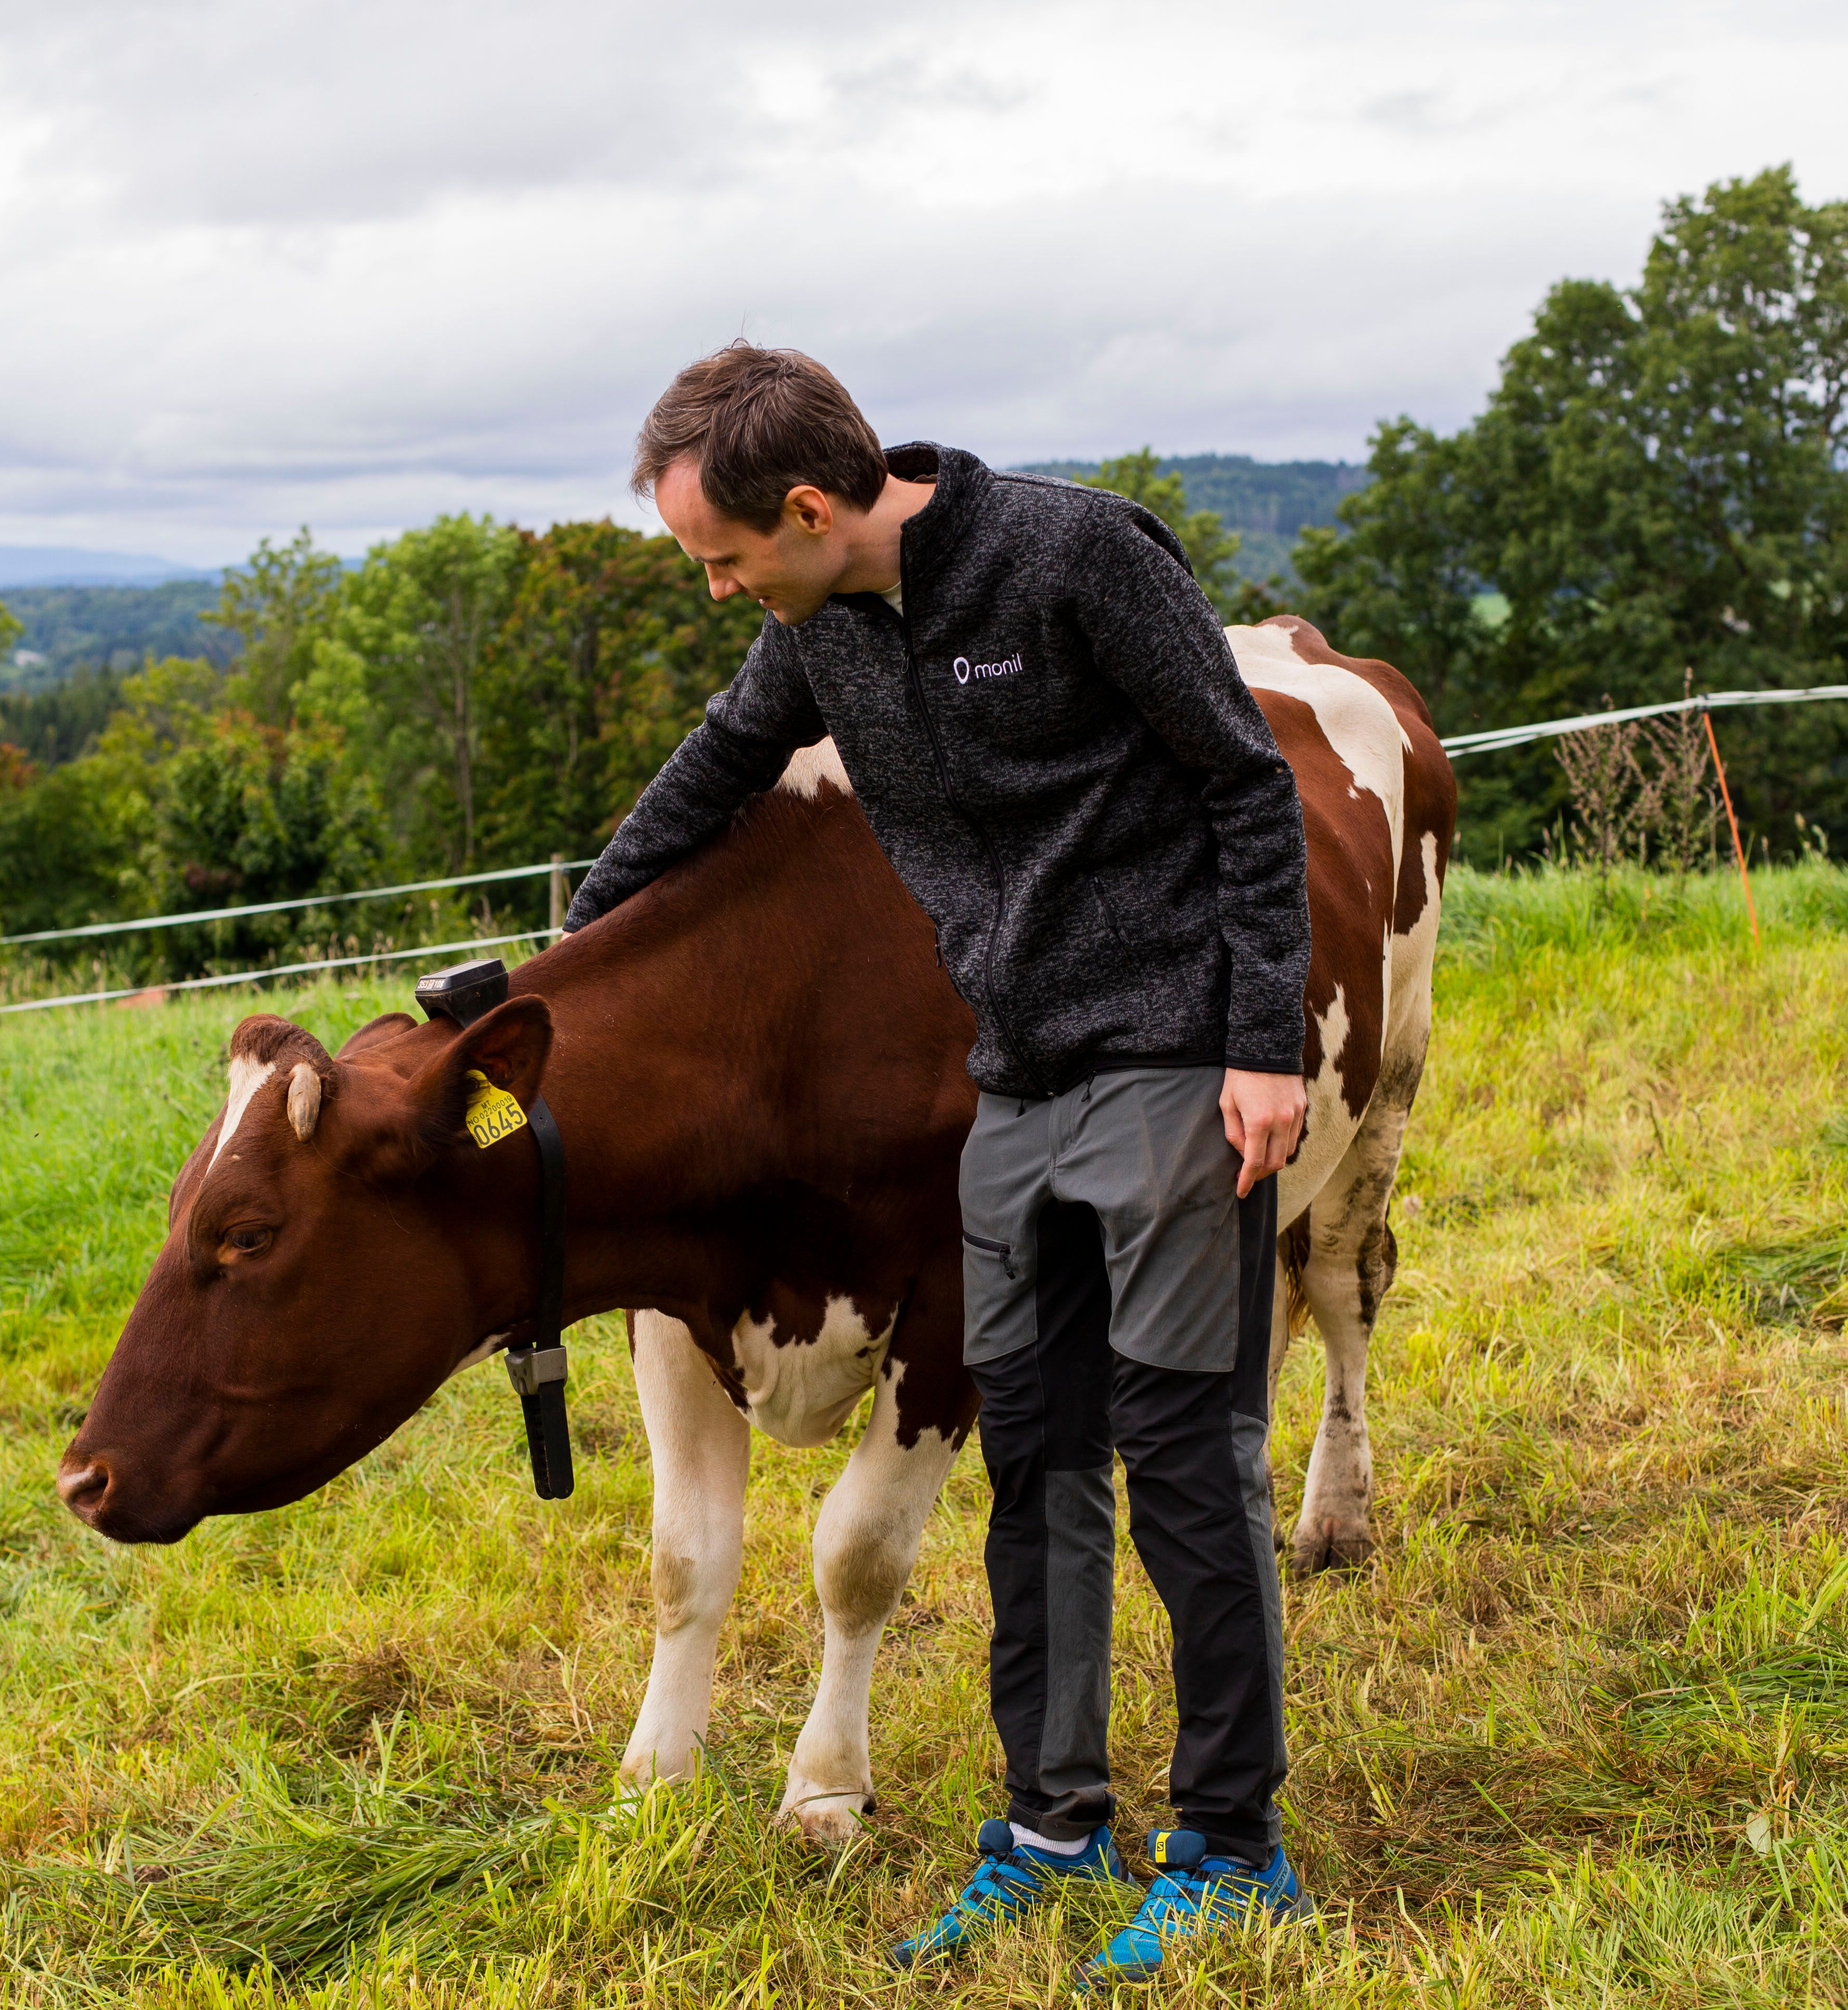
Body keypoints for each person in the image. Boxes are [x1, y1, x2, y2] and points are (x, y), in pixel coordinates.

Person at [559, 342, 1315, 1986]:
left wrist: (1266, 1038)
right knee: (1035, 1467)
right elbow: (710, 778)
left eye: (725, 555)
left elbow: (1245, 784)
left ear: (815, 507)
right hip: (1011, 1089)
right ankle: (1052, 1827)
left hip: (1175, 1062)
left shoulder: (1076, 559)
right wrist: (563, 962)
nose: (717, 586)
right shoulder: (821, 632)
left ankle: (1234, 1852)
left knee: (1187, 1462)